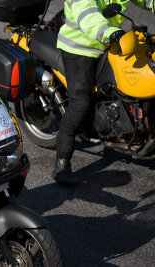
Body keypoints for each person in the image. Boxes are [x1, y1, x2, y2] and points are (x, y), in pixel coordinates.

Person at [52, 0, 154, 186]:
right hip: (80, 48)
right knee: (80, 102)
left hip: (108, 44)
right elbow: (87, 14)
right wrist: (109, 32)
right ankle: (61, 163)